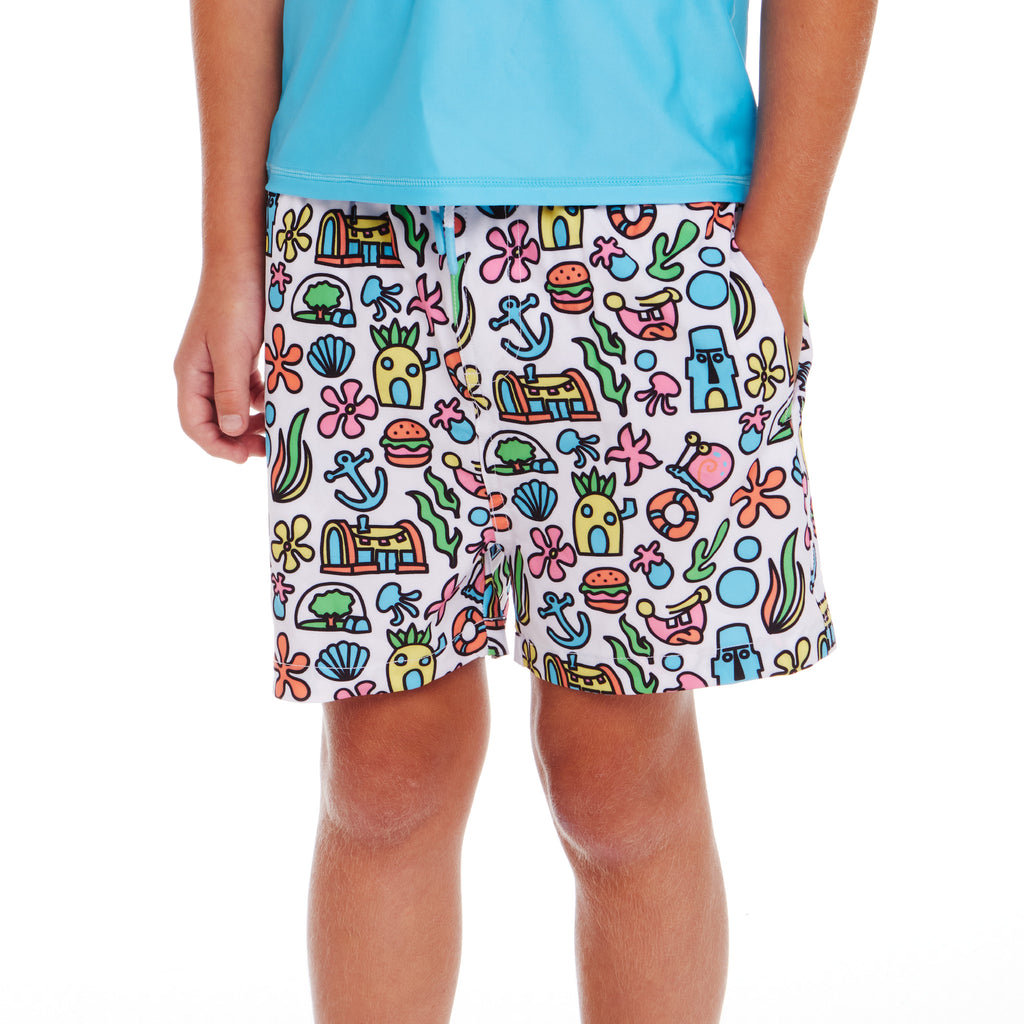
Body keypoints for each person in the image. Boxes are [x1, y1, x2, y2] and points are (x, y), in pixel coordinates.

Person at [174, 1, 876, 1020]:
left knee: (617, 777)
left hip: (652, 236)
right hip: (355, 226)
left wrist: (773, 261)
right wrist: (230, 253)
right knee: (383, 768)